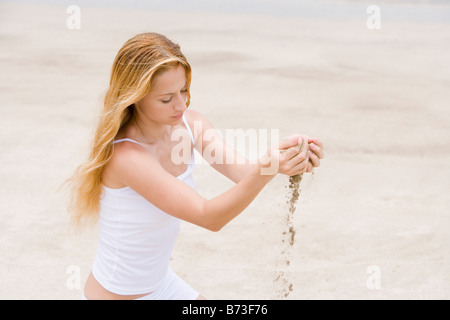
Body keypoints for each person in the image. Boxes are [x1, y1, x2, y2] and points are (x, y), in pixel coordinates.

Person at [65, 32, 324, 300]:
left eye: (184, 90)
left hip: (162, 285)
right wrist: (266, 168)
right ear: (136, 97)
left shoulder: (191, 124)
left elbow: (243, 174)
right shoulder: (127, 157)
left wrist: (284, 159)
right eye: (166, 99)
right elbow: (209, 216)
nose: (181, 104)